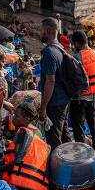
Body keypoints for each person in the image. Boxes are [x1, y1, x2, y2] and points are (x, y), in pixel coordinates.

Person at [0, 103, 51, 190]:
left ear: (27, 118)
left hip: (24, 185)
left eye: (16, 116)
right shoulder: (36, 131)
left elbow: (17, 162)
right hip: (32, 182)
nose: (13, 118)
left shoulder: (24, 134)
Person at [37, 18, 70, 151]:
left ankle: (57, 169)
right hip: (63, 100)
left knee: (54, 139)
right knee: (64, 135)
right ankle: (71, 163)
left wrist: (43, 107)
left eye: (41, 30)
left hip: (55, 102)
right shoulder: (60, 48)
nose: (40, 33)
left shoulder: (50, 52)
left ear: (49, 31)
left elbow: (50, 81)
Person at [70, 31, 95, 145]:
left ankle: (82, 152)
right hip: (94, 97)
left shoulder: (76, 57)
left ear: (76, 43)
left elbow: (73, 80)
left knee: (78, 128)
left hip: (79, 100)